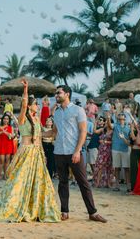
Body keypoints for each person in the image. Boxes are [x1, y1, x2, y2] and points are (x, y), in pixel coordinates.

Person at [0, 78, 60, 222]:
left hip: (37, 154)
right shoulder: (22, 119)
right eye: (36, 105)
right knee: (20, 181)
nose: (38, 107)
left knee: (38, 182)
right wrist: (26, 91)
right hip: (26, 152)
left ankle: (34, 208)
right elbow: (23, 105)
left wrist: (55, 126)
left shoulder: (36, 119)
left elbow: (44, 134)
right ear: (29, 106)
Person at [53, 85, 106, 223]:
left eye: (59, 93)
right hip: (59, 151)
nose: (56, 95)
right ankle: (64, 211)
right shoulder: (57, 112)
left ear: (67, 94)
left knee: (83, 182)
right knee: (62, 182)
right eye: (56, 93)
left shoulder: (78, 110)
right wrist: (36, 133)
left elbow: (83, 131)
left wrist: (77, 151)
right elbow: (54, 132)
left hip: (74, 152)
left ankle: (92, 212)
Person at [107, 112, 131, 192]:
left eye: (122, 119)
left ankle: (128, 186)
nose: (121, 120)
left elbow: (129, 141)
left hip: (125, 149)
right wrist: (108, 118)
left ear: (125, 119)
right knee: (117, 168)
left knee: (126, 168)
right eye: (119, 119)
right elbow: (110, 126)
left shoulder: (128, 128)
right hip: (115, 149)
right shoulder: (116, 126)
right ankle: (117, 186)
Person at [92, 117, 114, 188]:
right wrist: (95, 123)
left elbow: (113, 142)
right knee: (100, 166)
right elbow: (95, 131)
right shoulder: (102, 130)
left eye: (108, 122)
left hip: (108, 150)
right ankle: (97, 183)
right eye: (106, 122)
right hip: (101, 150)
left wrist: (106, 142)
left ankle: (108, 183)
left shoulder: (112, 131)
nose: (107, 123)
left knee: (108, 167)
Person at [0, 113, 14, 180]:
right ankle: (0, 175)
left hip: (8, 144)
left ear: (9, 120)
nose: (6, 120)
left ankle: (5, 174)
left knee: (7, 160)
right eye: (5, 119)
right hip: (1, 144)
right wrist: (2, 132)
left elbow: (12, 136)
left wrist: (7, 133)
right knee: (1, 160)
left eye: (7, 119)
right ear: (2, 119)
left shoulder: (11, 127)